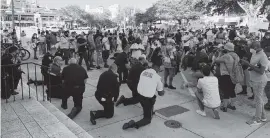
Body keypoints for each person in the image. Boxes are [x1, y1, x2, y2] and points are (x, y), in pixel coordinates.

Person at [122, 62, 165, 130]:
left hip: (139, 95)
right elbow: (161, 94)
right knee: (147, 119)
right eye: (160, 69)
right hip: (147, 99)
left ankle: (149, 111)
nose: (160, 70)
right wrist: (162, 88)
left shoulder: (144, 71)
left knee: (147, 102)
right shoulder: (157, 77)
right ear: (157, 68)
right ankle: (133, 124)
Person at [241, 42, 268, 125]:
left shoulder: (263, 56)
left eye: (251, 47)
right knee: (259, 99)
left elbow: (261, 71)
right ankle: (263, 116)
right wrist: (250, 67)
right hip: (254, 79)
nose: (250, 49)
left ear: (256, 47)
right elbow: (255, 66)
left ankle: (257, 119)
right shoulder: (255, 53)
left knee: (258, 100)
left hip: (259, 80)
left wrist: (248, 64)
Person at [214, 42, 239, 112]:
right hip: (234, 75)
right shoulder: (236, 55)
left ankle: (224, 107)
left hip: (226, 75)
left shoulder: (226, 56)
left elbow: (216, 60)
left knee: (225, 91)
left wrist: (220, 53)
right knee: (231, 90)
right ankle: (232, 105)